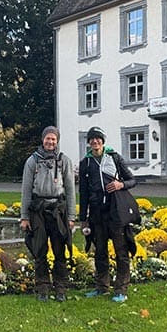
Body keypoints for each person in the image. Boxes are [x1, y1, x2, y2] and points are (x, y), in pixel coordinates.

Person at [79, 126, 137, 303]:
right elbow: (83, 193)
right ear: (89, 142)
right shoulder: (85, 163)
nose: (95, 141)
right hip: (97, 212)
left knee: (121, 250)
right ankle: (102, 286)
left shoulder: (114, 157)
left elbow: (132, 180)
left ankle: (121, 289)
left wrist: (121, 185)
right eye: (92, 139)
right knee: (100, 251)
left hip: (115, 210)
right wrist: (83, 219)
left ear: (103, 141)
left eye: (98, 138)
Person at [20, 126, 76, 302]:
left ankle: (60, 288)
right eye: (48, 138)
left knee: (59, 250)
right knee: (40, 249)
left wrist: (71, 216)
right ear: (43, 140)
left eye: (53, 139)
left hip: (58, 209)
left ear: (57, 141)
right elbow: (26, 190)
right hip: (38, 210)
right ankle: (42, 287)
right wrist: (24, 216)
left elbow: (70, 190)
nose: (50, 142)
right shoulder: (32, 161)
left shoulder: (64, 161)